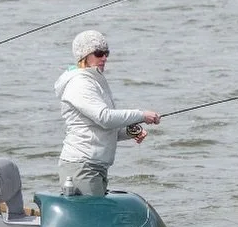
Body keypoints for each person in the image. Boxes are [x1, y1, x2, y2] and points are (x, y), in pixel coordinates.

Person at [54, 30, 160, 196]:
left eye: (106, 53)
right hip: (82, 166)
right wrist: (142, 115)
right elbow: (105, 118)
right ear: (84, 56)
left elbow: (104, 127)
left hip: (96, 166)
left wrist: (131, 131)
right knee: (93, 219)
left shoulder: (95, 82)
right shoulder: (80, 83)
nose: (104, 58)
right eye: (98, 53)